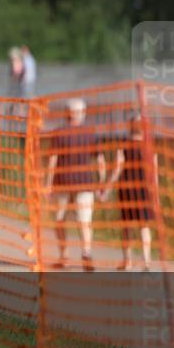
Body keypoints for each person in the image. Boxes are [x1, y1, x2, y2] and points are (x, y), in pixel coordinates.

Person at [45, 98, 106, 271]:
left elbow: (52, 160)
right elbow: (100, 160)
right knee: (84, 221)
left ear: (67, 113)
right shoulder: (91, 132)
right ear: (83, 113)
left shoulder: (59, 133)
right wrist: (101, 183)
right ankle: (86, 253)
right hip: (85, 183)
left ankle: (64, 256)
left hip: (62, 183)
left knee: (59, 219)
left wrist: (48, 183)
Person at [105, 115, 156, 271]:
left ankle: (127, 261)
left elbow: (117, 169)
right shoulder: (149, 147)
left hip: (127, 190)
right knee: (144, 226)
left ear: (130, 126)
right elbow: (154, 173)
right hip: (144, 190)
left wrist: (107, 188)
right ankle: (146, 262)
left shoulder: (124, 145)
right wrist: (155, 195)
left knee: (127, 226)